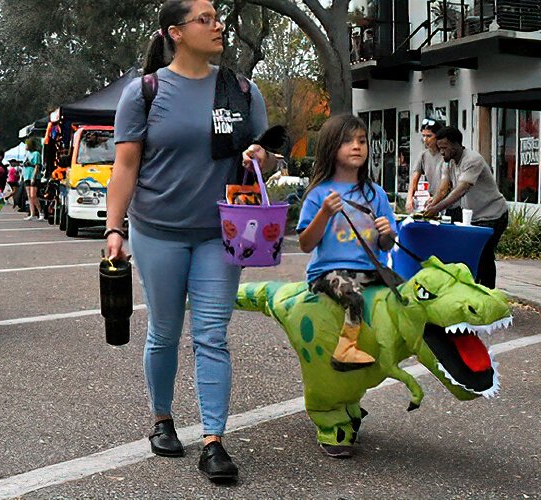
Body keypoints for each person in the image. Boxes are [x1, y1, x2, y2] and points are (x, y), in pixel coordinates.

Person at [104, 0, 274, 485]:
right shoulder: (145, 92)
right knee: (164, 330)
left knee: (212, 335)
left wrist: (265, 155)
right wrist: (115, 229)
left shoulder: (241, 89)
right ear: (175, 32)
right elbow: (126, 167)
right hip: (157, 230)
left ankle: (214, 440)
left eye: (218, 17)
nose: (218, 25)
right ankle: (161, 419)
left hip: (222, 233)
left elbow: (268, 161)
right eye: (205, 18)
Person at [297, 115, 396, 379]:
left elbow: (386, 244)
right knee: (353, 297)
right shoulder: (319, 194)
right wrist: (324, 214)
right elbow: (306, 244)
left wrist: (386, 233)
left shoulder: (376, 193)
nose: (357, 146)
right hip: (329, 272)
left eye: (362, 141)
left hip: (369, 269)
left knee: (405, 292)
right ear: (331, 147)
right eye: (348, 141)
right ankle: (345, 349)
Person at [421, 126, 509, 288]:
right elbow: (444, 188)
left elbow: (461, 189)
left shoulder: (472, 160)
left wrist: (437, 208)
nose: (441, 152)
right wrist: (431, 204)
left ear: (455, 145)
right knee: (471, 255)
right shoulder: (449, 162)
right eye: (439, 148)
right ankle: (474, 289)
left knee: (484, 255)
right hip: (473, 216)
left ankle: (487, 293)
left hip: (493, 215)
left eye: (444, 148)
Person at [403, 118, 445, 213]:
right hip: (432, 200)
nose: (425, 140)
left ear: (437, 136)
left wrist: (437, 197)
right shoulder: (423, 156)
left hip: (448, 202)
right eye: (423, 136)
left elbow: (448, 184)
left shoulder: (445, 155)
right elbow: (414, 180)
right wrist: (409, 199)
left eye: (429, 136)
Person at [23, 142, 45, 221]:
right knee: (29, 195)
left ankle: (40, 212)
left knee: (33, 195)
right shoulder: (27, 153)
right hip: (26, 175)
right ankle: (32, 213)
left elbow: (37, 166)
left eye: (26, 144)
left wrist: (34, 177)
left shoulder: (36, 154)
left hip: (33, 176)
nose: (25, 146)